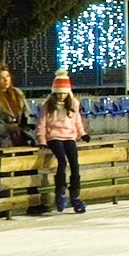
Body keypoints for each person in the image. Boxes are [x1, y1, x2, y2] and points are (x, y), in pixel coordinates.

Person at [36, 69, 90, 213]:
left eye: (64, 93)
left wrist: (82, 134)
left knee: (74, 163)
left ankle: (75, 196)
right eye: (59, 93)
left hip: (69, 136)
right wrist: (42, 140)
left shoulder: (73, 104)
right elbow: (42, 123)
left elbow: (77, 121)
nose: (61, 96)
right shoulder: (47, 105)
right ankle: (60, 192)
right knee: (62, 160)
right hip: (54, 136)